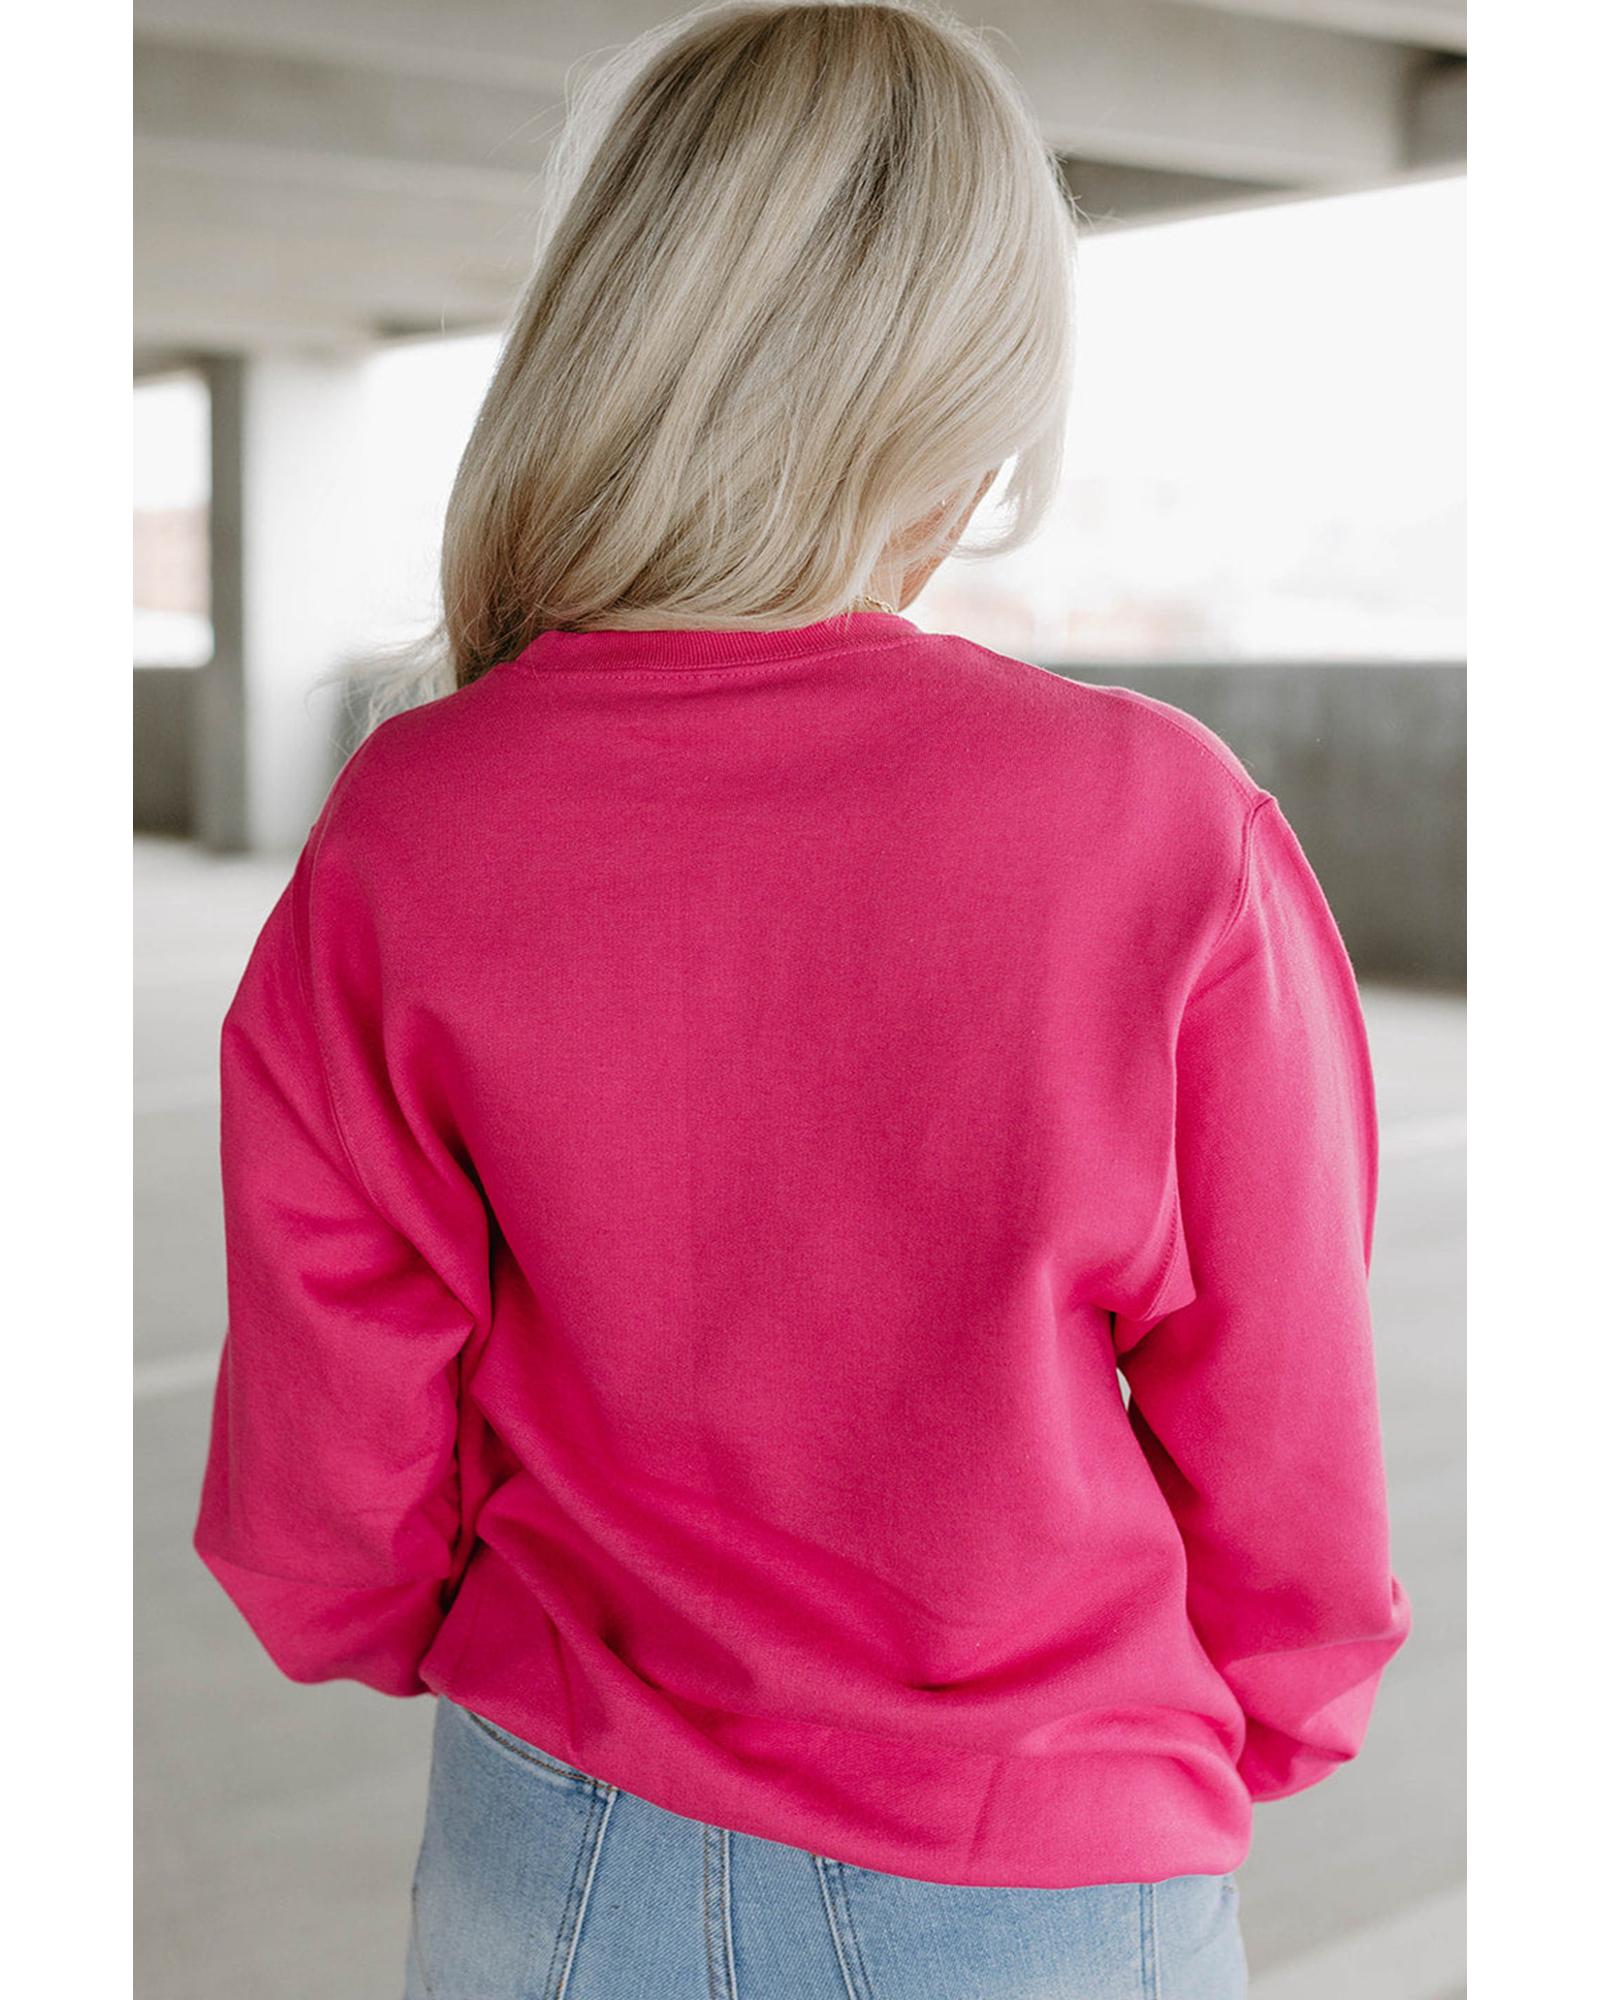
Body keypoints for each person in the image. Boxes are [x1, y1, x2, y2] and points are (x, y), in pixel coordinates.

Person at [191, 4, 1411, 1994]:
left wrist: (438, 1638)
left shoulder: (414, 817)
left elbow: (329, 1447)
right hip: (1036, 1856)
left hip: (556, 1835)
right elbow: (1284, 1428)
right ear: (968, 389)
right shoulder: (1159, 822)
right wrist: (1256, 1722)